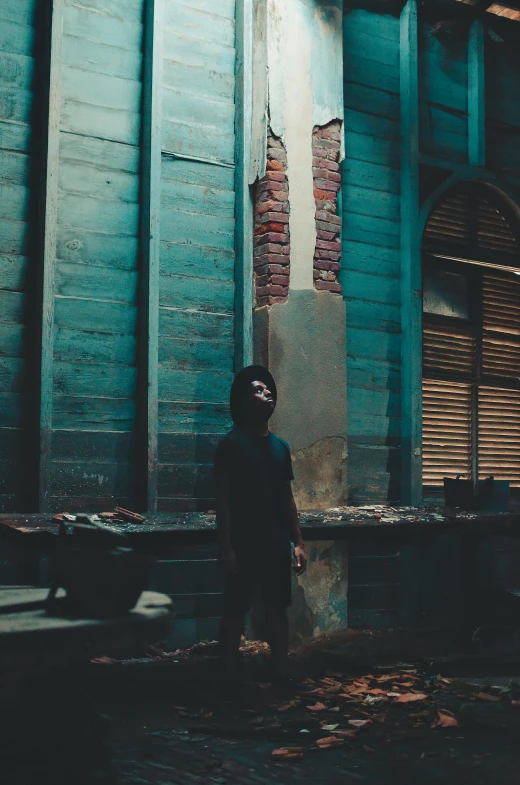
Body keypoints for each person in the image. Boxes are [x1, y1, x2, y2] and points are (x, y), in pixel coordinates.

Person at [213, 365, 307, 694]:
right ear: (242, 402)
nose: (267, 392)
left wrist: (298, 542)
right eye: (257, 389)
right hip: (242, 542)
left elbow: (287, 500)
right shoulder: (231, 445)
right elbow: (222, 503)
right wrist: (226, 549)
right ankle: (227, 678)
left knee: (277, 609)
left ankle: (280, 674)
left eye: (269, 389)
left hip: (274, 542)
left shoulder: (280, 448)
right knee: (235, 609)